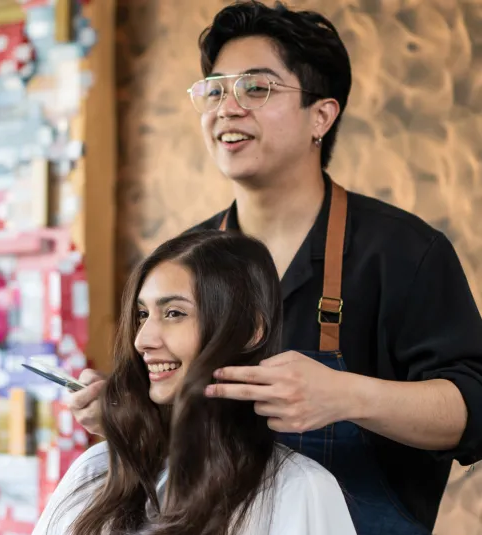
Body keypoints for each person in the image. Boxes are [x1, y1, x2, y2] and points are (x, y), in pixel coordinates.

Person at [68, 2, 482, 534]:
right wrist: (130, 420)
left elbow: (474, 404)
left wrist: (347, 395)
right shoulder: (183, 260)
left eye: (256, 89)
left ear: (322, 116)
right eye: (215, 90)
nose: (228, 108)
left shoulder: (403, 253)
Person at [34, 230, 357, 535]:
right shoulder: (95, 472)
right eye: (142, 315)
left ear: (250, 331)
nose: (142, 340)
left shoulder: (300, 490)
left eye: (174, 313)